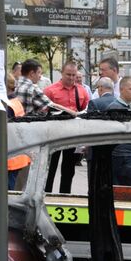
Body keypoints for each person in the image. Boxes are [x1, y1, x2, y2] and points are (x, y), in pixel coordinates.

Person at [43, 63, 92, 193]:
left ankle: (65, 195)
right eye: (68, 75)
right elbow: (43, 113)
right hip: (53, 135)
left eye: (73, 75)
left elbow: (86, 111)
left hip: (72, 135)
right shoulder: (50, 90)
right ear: (62, 73)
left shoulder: (82, 90)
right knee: (50, 168)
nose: (71, 78)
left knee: (69, 169)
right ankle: (47, 196)